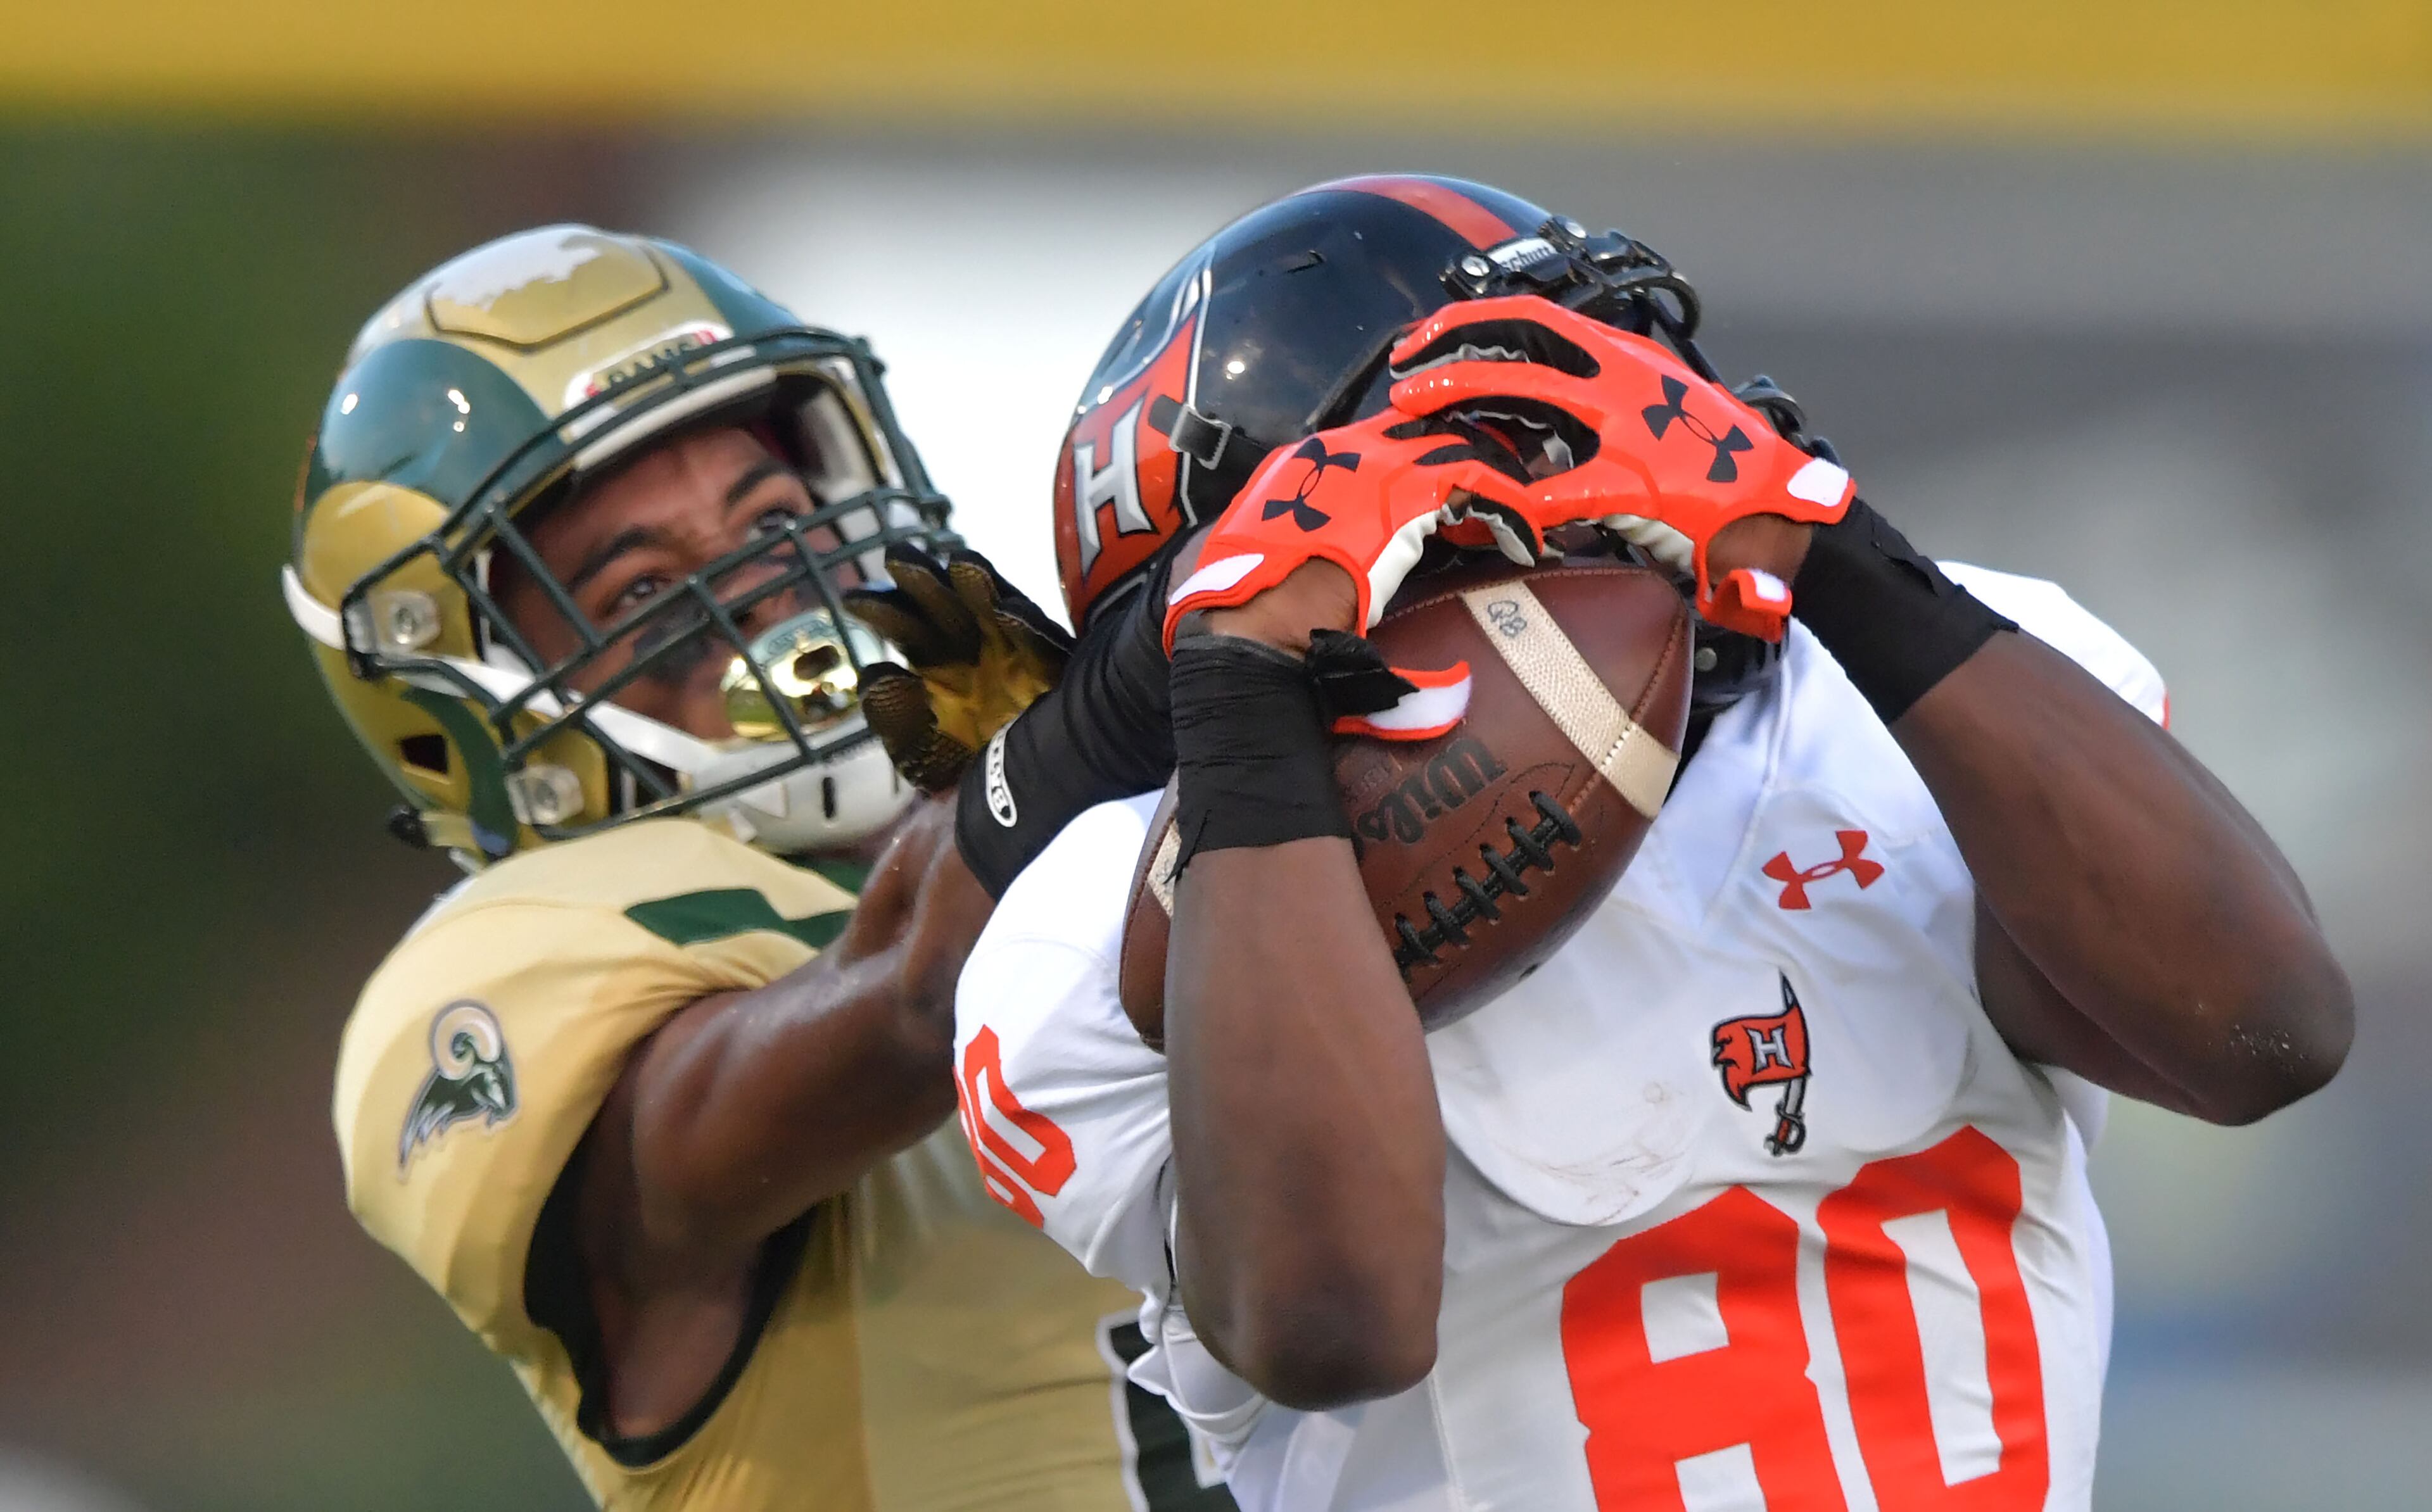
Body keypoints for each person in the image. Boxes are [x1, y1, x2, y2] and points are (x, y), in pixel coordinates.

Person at [915, 177, 2354, 1509]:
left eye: (1630, 386)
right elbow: (1329, 1315)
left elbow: (2264, 1033)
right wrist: (1244, 706)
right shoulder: (1106, 927)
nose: (1617, 452)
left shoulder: (1904, 708)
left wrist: (1834, 543)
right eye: (1515, 431)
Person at [289, 224, 1238, 1510]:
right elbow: (906, 1000)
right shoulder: (504, 956)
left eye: (776, 517)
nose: (764, 590)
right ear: (463, 691)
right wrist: (1103, 738)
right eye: (635, 593)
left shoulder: (1058, 828)